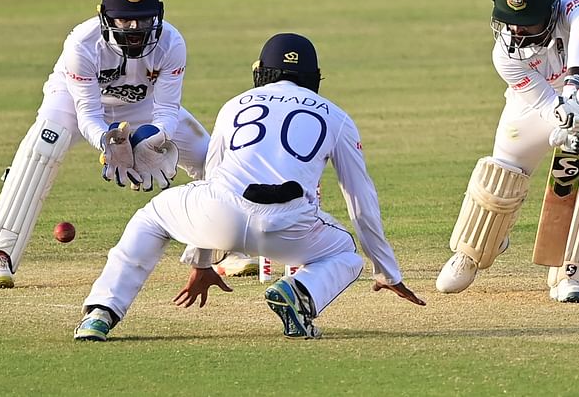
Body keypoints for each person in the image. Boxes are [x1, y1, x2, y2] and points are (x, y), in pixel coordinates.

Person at [73, 32, 425, 341]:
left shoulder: (235, 104)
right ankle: (300, 290)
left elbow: (210, 180)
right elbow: (360, 200)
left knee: (152, 217)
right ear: (314, 78)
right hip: (287, 230)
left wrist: (203, 260)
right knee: (345, 253)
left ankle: (102, 312)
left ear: (261, 72)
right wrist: (386, 271)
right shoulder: (337, 116)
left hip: (221, 215)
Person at [0, 0, 210, 289]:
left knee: (209, 156)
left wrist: (155, 136)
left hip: (143, 104)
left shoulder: (172, 42)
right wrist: (106, 139)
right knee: (45, 145)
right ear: (105, 18)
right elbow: (88, 112)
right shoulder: (82, 45)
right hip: (72, 102)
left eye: (143, 21)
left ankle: (231, 247)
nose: (134, 30)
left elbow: (167, 110)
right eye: (125, 21)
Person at [436, 0, 579, 302]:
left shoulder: (577, 5)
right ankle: (474, 249)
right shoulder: (504, 56)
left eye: (525, 23)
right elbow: (543, 102)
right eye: (509, 22)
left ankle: (574, 270)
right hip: (542, 101)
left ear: (550, 11)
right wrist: (563, 117)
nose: (515, 32)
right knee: (502, 172)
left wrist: (575, 83)